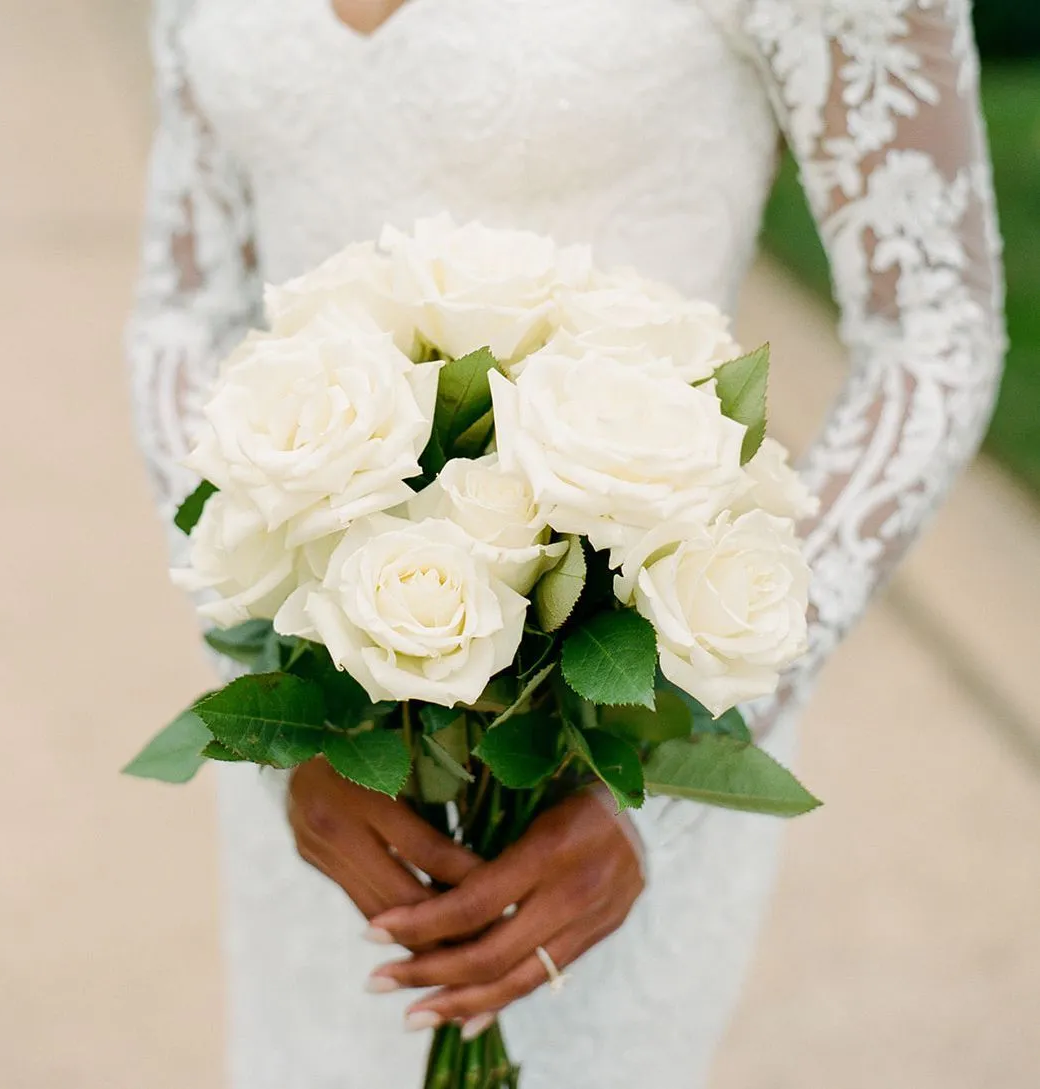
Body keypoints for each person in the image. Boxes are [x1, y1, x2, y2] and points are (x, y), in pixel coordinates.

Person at [127, 1, 1005, 1086]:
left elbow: (933, 328)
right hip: (331, 774)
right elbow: (184, 311)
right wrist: (267, 687)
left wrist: (681, 755)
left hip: (607, 755)